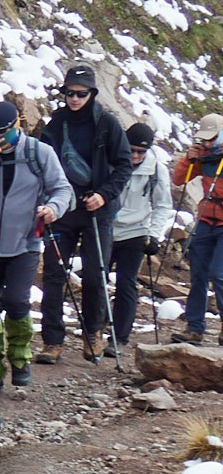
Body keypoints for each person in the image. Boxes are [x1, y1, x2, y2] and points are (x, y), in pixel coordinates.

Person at [0, 101, 72, 393]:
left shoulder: (39, 153)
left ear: (17, 127)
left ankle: (20, 360)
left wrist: (52, 208)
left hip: (25, 242)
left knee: (16, 301)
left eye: (1, 133)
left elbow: (63, 189)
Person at [35, 63, 131, 362]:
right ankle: (52, 341)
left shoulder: (108, 124)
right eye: (69, 93)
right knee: (53, 273)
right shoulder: (55, 123)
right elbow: (41, 161)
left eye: (81, 93)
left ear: (92, 93)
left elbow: (124, 165)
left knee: (94, 275)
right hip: (62, 208)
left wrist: (103, 195)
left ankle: (93, 333)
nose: (74, 99)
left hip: (96, 210)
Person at [110, 120, 174, 348]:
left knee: (126, 283)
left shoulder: (156, 170)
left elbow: (163, 205)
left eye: (141, 151)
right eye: (131, 149)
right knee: (95, 280)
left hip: (136, 232)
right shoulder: (111, 162)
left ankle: (119, 338)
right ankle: (94, 331)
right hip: (107, 229)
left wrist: (155, 235)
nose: (135, 155)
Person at [171, 114, 223, 344]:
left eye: (211, 139)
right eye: (205, 140)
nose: (207, 143)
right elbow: (179, 179)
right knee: (198, 275)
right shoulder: (204, 156)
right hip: (205, 221)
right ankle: (194, 328)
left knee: (219, 275)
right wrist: (189, 159)